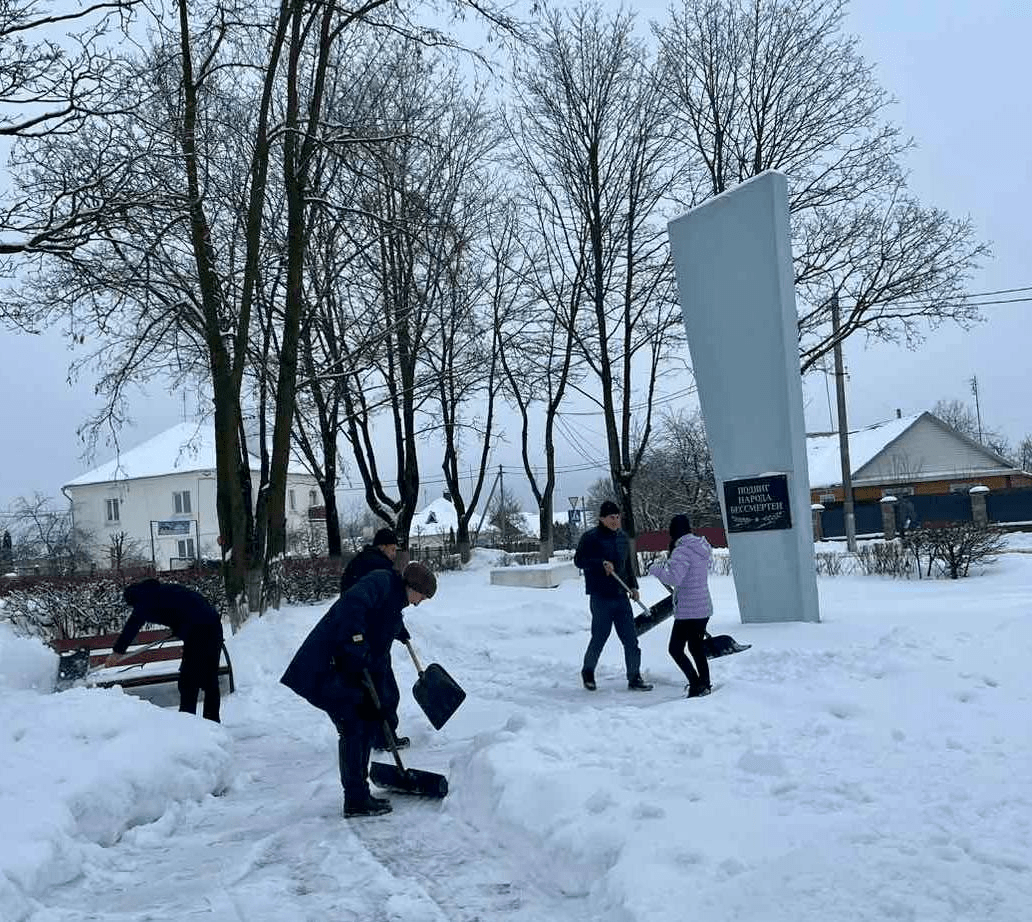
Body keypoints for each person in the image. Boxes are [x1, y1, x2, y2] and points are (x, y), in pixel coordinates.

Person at [280, 561, 437, 818]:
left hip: (348, 672)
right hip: (327, 666)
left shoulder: (394, 599)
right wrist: (357, 641)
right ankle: (355, 798)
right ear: (413, 587)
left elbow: (379, 617)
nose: (420, 602)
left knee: (365, 723)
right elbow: (352, 606)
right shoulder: (381, 581)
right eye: (422, 596)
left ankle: (358, 794)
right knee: (353, 727)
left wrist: (396, 627)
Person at [107, 577, 225, 722]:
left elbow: (133, 625)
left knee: (188, 680)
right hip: (214, 626)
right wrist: (179, 628)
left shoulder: (145, 598)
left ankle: (187, 722)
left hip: (199, 632)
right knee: (209, 679)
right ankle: (212, 723)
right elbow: (186, 608)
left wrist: (117, 652)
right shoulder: (163, 591)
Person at [340, 527, 410, 751]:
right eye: (392, 549)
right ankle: (385, 738)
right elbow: (386, 607)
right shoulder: (380, 568)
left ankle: (373, 736)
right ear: (383, 546)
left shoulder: (357, 562)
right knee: (385, 691)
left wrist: (398, 630)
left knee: (370, 691)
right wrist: (396, 629)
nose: (394, 554)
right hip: (373, 638)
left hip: (358, 638)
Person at [574, 500, 652, 691]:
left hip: (621, 596)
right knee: (600, 637)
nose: (615, 520)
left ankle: (634, 677)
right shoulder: (590, 538)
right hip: (600, 596)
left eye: (617, 517)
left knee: (630, 639)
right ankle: (588, 672)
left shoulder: (622, 537)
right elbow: (579, 561)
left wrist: (633, 586)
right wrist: (600, 563)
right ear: (602, 518)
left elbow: (627, 566)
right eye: (611, 517)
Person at [648, 514, 714, 698]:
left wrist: (655, 569)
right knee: (695, 648)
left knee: (675, 649)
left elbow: (674, 578)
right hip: (703, 607)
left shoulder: (682, 551)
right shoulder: (702, 547)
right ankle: (705, 684)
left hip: (688, 610)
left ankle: (696, 684)